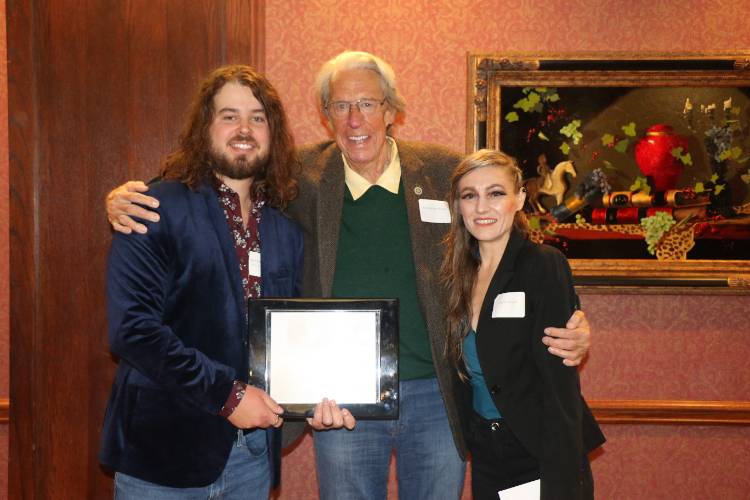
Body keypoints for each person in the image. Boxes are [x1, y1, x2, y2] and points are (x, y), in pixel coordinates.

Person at [104, 51, 592, 500]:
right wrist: (123, 199)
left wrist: (570, 320)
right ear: (325, 115)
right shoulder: (300, 179)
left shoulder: (445, 172)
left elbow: (506, 234)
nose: (355, 120)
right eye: (340, 106)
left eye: (367, 103)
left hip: (435, 396)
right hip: (341, 400)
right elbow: (218, 184)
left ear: (392, 109)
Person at [100, 64, 354, 500]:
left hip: (250, 458)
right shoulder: (154, 205)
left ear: (272, 133)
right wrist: (230, 397)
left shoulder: (284, 228)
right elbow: (133, 331)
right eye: (229, 115)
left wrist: (314, 399)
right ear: (205, 127)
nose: (245, 128)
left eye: (258, 118)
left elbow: (286, 336)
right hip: (163, 456)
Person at [441, 149, 605, 499]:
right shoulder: (457, 275)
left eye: (496, 193)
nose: (482, 207)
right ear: (458, 206)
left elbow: (559, 382)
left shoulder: (542, 265)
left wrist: (561, 477)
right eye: (470, 196)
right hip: (485, 447)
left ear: (519, 199)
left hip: (536, 447)